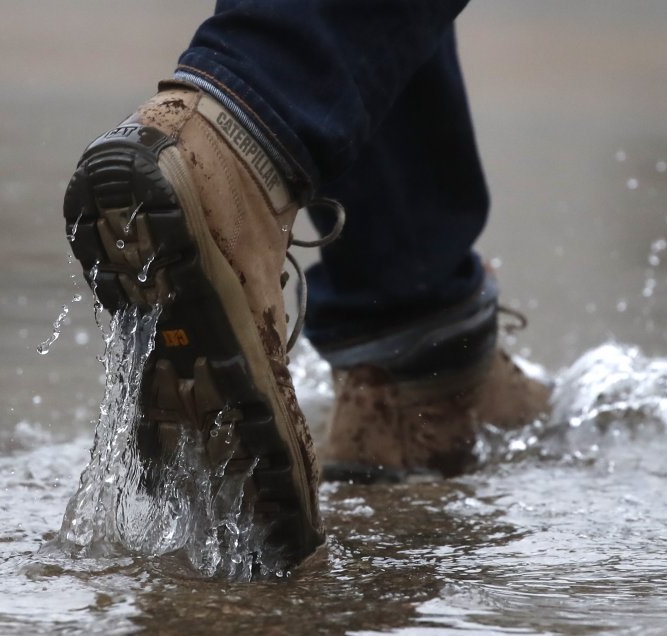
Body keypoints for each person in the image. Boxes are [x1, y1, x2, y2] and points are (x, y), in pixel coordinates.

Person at [61, 1, 549, 566]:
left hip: (415, 305)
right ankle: (244, 128)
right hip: (253, 89)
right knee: (257, 109)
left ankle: (415, 336)